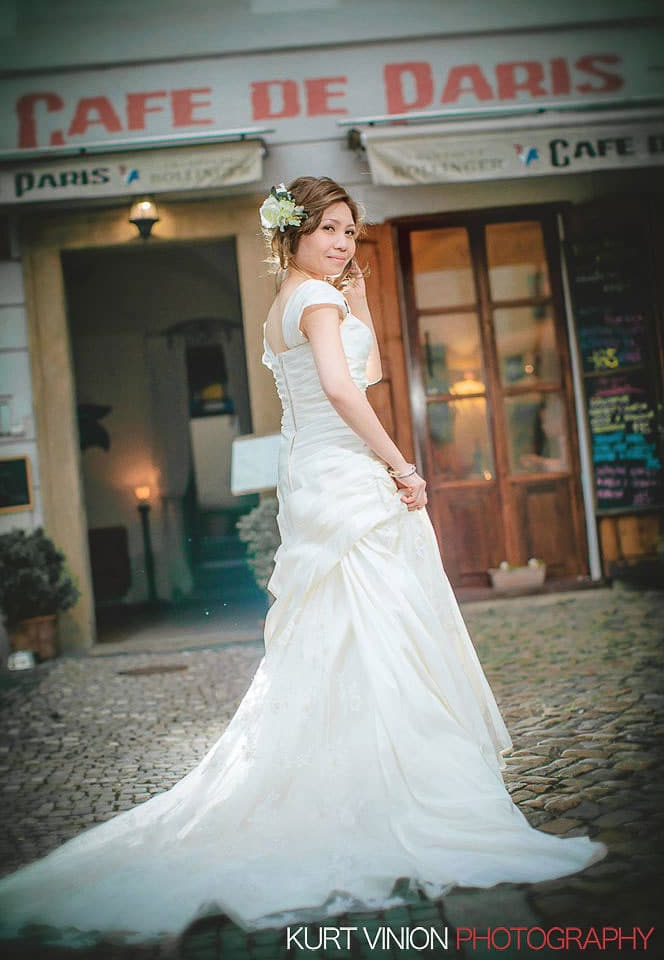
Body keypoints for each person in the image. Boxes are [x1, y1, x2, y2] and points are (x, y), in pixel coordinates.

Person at [0, 176, 607, 952]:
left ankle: (359, 770)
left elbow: (360, 374)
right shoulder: (319, 304)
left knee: (348, 634)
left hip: (316, 479)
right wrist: (401, 466)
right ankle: (402, 787)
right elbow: (343, 389)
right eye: (329, 230)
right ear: (292, 232)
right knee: (382, 628)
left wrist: (352, 296)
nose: (343, 244)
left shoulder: (290, 302)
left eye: (351, 233)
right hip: (347, 477)